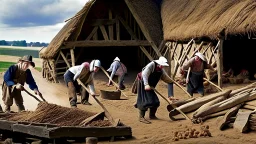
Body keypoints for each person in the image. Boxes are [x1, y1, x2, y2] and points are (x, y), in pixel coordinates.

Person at [135, 56, 176, 124]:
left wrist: (171, 81)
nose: (163, 67)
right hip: (143, 83)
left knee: (155, 101)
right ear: (159, 63)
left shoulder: (161, 70)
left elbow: (165, 77)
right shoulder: (152, 65)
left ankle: (152, 115)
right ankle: (141, 117)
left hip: (151, 86)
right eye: (162, 65)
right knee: (144, 101)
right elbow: (144, 74)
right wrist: (146, 84)